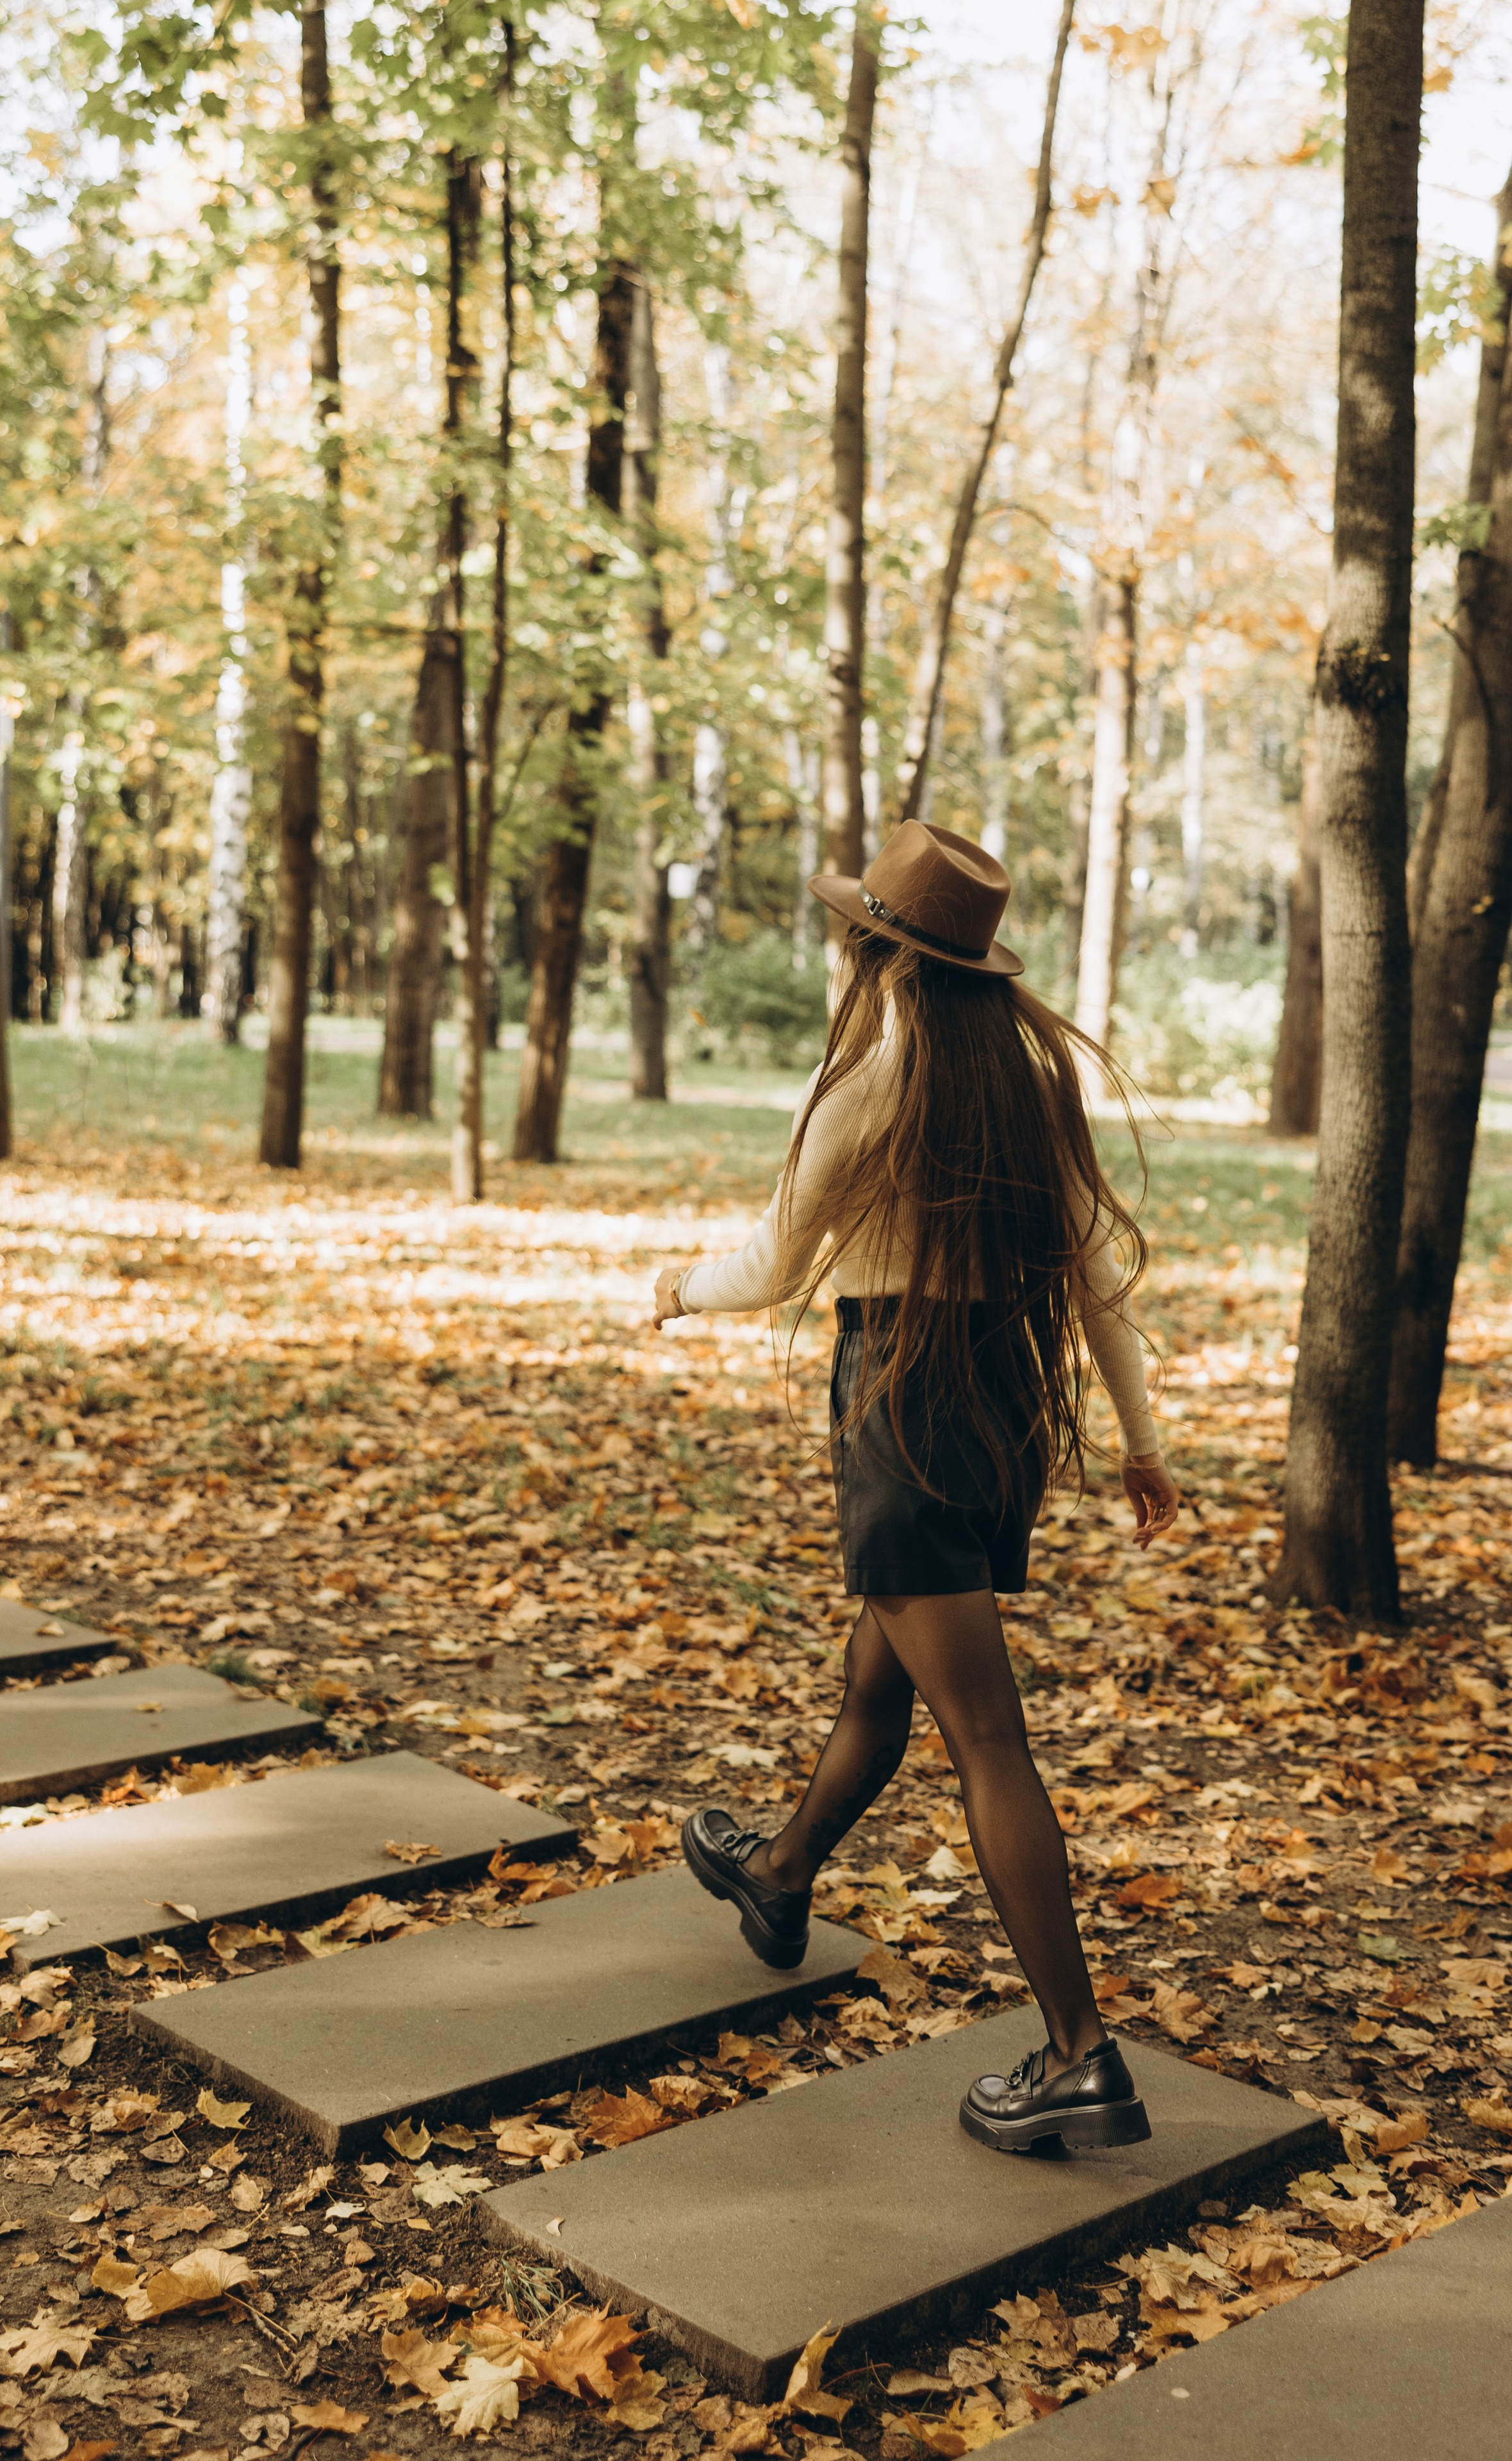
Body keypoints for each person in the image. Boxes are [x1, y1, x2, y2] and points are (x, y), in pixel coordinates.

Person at [652, 821, 1178, 2156]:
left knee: (984, 1737)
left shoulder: (868, 1090)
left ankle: (1078, 2056)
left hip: (900, 1399)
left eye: (853, 944)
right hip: (997, 1403)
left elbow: (773, 1266)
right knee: (878, 1680)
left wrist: (673, 1287)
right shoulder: (1023, 1083)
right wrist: (1138, 1438)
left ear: (875, 953)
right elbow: (1092, 1280)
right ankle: (777, 1879)